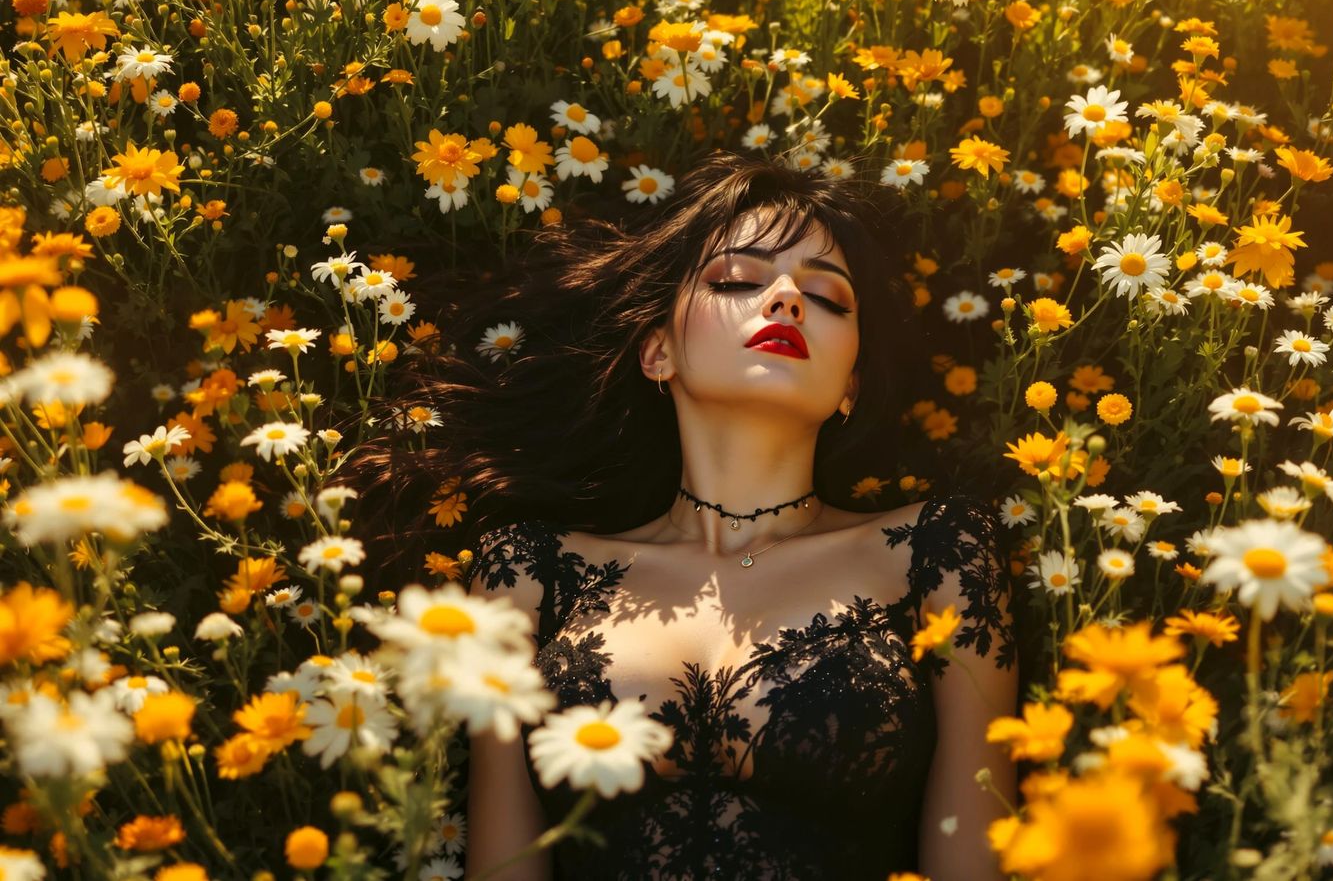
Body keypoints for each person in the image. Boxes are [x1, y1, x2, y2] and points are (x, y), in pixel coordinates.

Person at [343, 150, 1018, 879]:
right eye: (737, 278)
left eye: (828, 298)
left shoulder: (937, 553)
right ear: (657, 349)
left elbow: (973, 856)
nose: (787, 298)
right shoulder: (528, 571)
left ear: (850, 383)